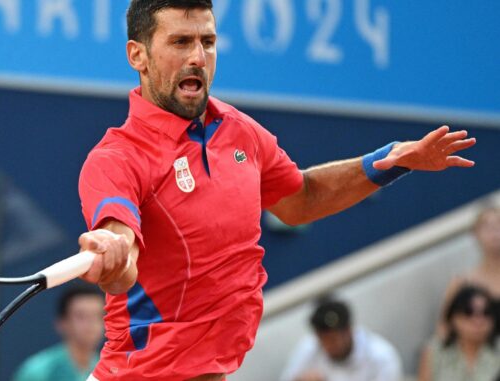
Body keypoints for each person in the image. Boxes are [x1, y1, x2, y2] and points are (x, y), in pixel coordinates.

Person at [75, 1, 476, 380]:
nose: (198, 56)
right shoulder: (116, 159)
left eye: (208, 42)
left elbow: (301, 199)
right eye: (180, 42)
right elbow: (121, 249)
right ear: (137, 56)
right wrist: (112, 255)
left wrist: (389, 161)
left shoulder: (239, 131)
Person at [280, 297, 402, 381]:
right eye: (323, 340)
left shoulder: (381, 357)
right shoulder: (310, 347)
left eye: (333, 339)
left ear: (348, 330)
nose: (328, 345)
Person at [12, 284, 105, 381]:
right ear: (62, 323)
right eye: (81, 316)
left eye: (98, 316)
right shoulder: (38, 372)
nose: (91, 323)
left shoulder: (110, 370)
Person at [439, 206, 500, 339]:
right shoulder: (462, 282)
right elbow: (444, 330)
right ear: (475, 234)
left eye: (499, 225)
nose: (495, 234)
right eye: (488, 227)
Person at [419, 285, 500, 381]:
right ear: (454, 317)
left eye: (486, 312)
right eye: (468, 312)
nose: (478, 321)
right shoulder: (435, 352)